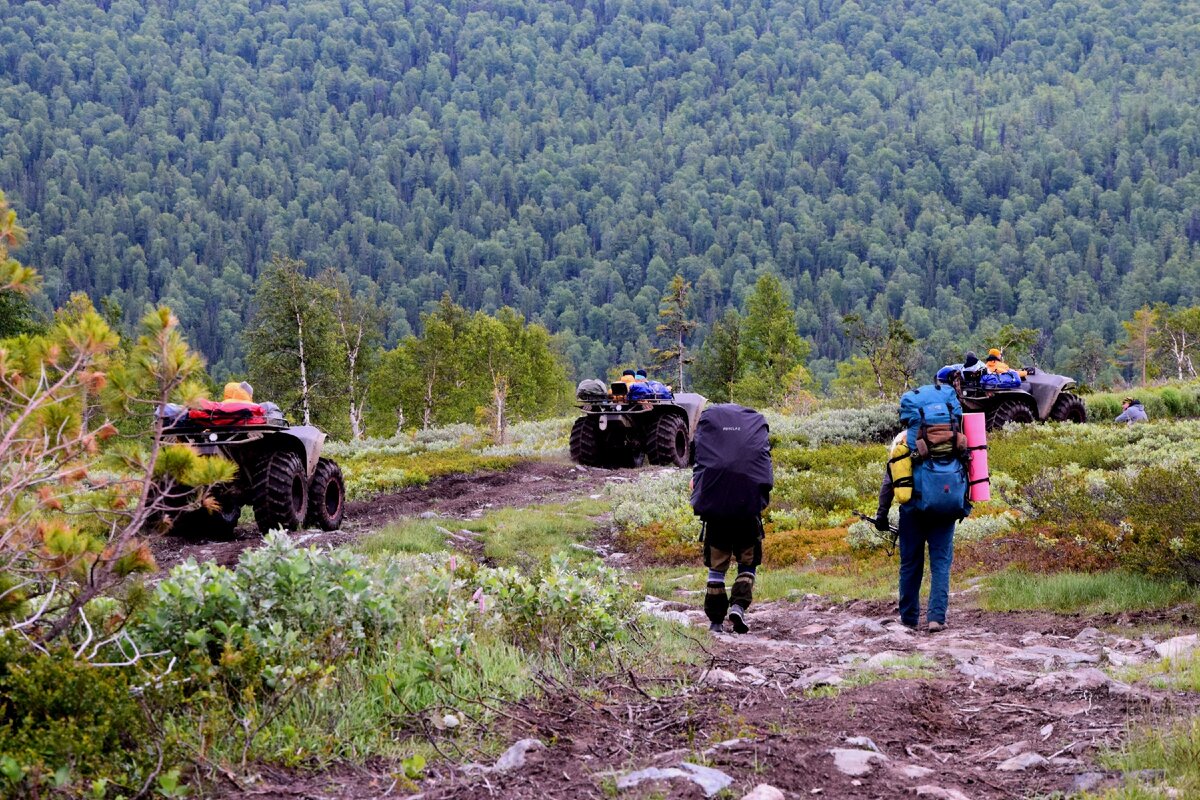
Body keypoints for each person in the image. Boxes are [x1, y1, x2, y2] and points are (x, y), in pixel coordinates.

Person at [875, 385, 971, 633]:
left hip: (913, 511)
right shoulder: (953, 438)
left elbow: (890, 482)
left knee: (910, 564)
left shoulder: (903, 441)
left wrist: (881, 516)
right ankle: (936, 619)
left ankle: (908, 619)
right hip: (946, 508)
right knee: (941, 564)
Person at [690, 404, 773, 635]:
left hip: (716, 514)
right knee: (748, 563)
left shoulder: (709, 437)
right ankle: (738, 606)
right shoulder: (755, 434)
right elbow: (767, 477)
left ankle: (716, 622)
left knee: (717, 567)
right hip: (748, 512)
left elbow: (696, 477)